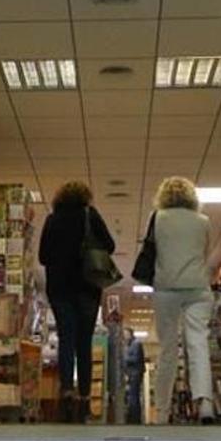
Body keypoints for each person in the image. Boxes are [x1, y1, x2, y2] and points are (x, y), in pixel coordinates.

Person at [150, 176, 221, 425]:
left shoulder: (157, 219)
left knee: (167, 349)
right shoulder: (203, 221)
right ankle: (205, 403)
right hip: (197, 288)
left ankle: (161, 410)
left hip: (166, 288)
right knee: (198, 344)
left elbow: (153, 252)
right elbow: (204, 254)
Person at [39, 181, 115, 423]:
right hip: (87, 287)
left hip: (60, 289)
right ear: (85, 197)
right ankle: (84, 398)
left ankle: (66, 394)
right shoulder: (89, 215)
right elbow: (110, 245)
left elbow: (42, 257)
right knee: (84, 343)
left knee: (66, 339)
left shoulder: (52, 220)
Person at [124, 327, 146, 424]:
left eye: (125, 334)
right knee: (133, 396)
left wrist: (123, 358)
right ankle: (134, 417)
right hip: (134, 373)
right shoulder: (131, 344)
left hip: (135, 373)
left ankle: (134, 418)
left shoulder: (136, 344)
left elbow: (135, 359)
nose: (124, 336)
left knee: (134, 396)